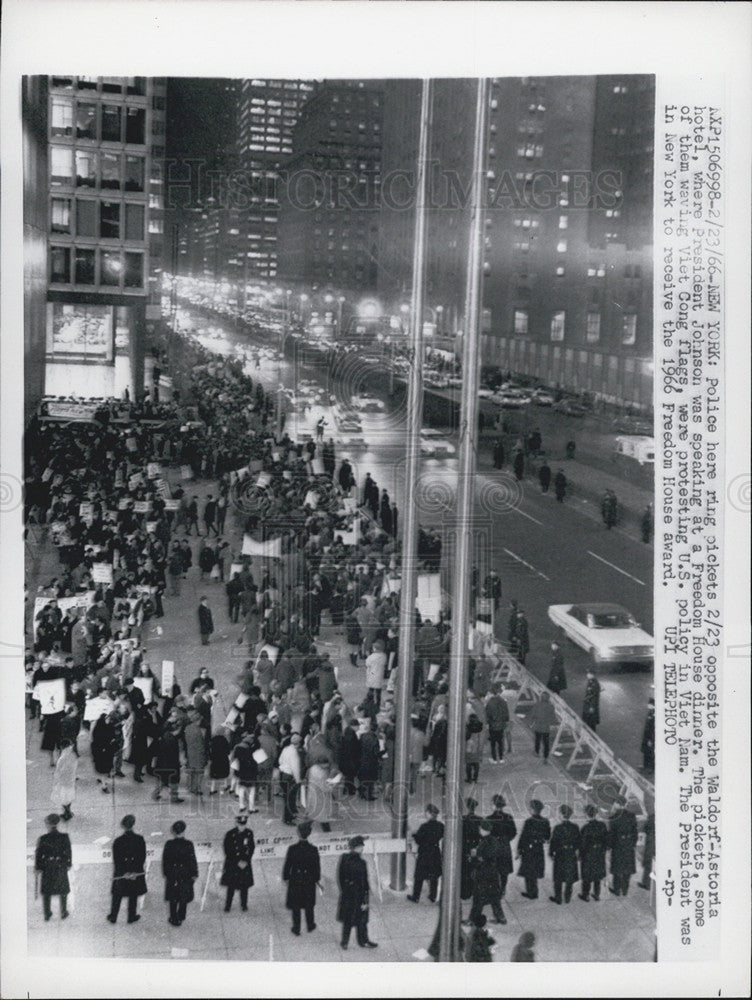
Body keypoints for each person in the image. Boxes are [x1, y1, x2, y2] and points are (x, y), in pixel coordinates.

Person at [336, 835, 377, 949]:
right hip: (359, 895)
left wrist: (345, 891)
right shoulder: (361, 863)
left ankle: (345, 942)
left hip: (347, 895)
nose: (363, 848)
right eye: (361, 846)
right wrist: (365, 900)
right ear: (358, 847)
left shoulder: (344, 858)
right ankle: (363, 941)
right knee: (362, 920)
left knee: (348, 920)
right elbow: (363, 883)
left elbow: (340, 877)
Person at [282, 820, 321, 935]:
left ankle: (296, 927)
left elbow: (288, 864)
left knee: (296, 905)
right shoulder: (313, 850)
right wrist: (316, 879)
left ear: (299, 833)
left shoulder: (293, 849)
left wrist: (286, 877)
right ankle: (310, 925)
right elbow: (316, 867)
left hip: (296, 879)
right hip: (308, 880)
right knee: (309, 905)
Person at [107, 814, 147, 924]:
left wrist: (124, 872)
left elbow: (116, 860)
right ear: (133, 824)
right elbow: (142, 857)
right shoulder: (139, 839)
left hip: (121, 871)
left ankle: (113, 916)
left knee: (117, 895)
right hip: (135, 872)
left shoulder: (118, 841)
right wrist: (134, 871)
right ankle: (131, 916)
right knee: (133, 894)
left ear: (123, 826)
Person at [466, 820, 506, 926]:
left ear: (483, 830)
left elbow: (481, 859)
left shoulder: (484, 841)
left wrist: (473, 857)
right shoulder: (494, 840)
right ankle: (501, 918)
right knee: (495, 898)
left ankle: (471, 920)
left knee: (478, 899)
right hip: (493, 873)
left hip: (483, 874)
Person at [35, 813, 71, 921]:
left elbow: (39, 854)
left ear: (48, 824)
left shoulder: (43, 838)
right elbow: (68, 852)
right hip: (60, 866)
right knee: (63, 890)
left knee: (47, 891)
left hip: (48, 866)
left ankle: (47, 914)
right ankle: (63, 912)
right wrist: (68, 864)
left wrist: (38, 867)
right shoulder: (65, 837)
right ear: (57, 823)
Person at [162, 820, 198, 926]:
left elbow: (166, 861)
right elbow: (192, 860)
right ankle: (181, 915)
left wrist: (167, 874)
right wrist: (194, 873)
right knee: (183, 896)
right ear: (184, 831)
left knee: (173, 897)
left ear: (174, 832)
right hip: (185, 874)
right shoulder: (188, 844)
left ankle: (173, 917)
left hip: (173, 874)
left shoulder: (169, 844)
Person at [408, 804, 444, 903]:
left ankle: (416, 897)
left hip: (424, 853)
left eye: (426, 812)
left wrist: (414, 835)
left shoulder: (424, 827)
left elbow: (419, 840)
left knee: (419, 876)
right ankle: (433, 896)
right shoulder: (441, 826)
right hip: (435, 852)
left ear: (429, 814)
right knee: (434, 876)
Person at [517, 799, 551, 899]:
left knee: (528, 871)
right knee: (535, 870)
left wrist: (520, 849)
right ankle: (534, 891)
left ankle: (531, 892)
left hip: (528, 849)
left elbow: (523, 837)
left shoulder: (529, 821)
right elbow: (547, 837)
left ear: (532, 809)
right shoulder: (545, 821)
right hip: (538, 848)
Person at [221, 814, 255, 912]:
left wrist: (246, 861)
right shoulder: (230, 834)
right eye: (240, 824)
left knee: (244, 887)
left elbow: (251, 848)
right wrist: (237, 862)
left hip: (245, 864)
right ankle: (228, 905)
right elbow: (227, 850)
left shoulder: (249, 833)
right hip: (233, 864)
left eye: (244, 825)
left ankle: (244, 905)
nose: (242, 827)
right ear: (236, 823)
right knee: (231, 887)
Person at [486, 794, 516, 900]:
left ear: (494, 805)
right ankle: (503, 888)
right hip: (504, 845)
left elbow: (486, 833)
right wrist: (506, 839)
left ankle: (494, 888)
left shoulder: (489, 819)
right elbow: (513, 832)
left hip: (493, 845)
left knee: (493, 868)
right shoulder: (508, 817)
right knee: (504, 869)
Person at [549, 804, 580, 904]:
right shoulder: (575, 827)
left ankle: (558, 898)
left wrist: (551, 853)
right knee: (569, 877)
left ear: (562, 815)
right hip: (571, 853)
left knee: (558, 877)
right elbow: (578, 842)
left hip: (560, 854)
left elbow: (553, 842)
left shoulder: (558, 828)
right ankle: (567, 897)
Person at [608, 796, 638, 897]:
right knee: (627, 869)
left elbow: (611, 835)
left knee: (617, 869)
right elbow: (635, 832)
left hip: (618, 845)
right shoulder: (631, 816)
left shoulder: (613, 817)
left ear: (617, 804)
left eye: (615, 803)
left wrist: (610, 846)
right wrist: (632, 843)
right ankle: (625, 890)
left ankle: (617, 890)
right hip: (628, 845)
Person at [578, 804, 608, 901]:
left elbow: (582, 844)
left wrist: (580, 856)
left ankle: (585, 895)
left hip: (588, 855)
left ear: (587, 814)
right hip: (599, 854)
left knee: (587, 876)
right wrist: (603, 850)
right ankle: (597, 894)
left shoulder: (585, 828)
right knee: (597, 875)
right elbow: (607, 840)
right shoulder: (602, 826)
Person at [278, 732, 303, 824]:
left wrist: (284, 766)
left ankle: (292, 814)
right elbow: (295, 769)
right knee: (290, 799)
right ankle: (287, 819)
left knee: (286, 797)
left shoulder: (286, 749)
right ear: (299, 743)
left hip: (282, 775)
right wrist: (298, 781)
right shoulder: (294, 753)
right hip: (290, 777)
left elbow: (280, 761)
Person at [50, 738, 78, 821]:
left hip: (63, 781)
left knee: (63, 798)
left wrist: (56, 778)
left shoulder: (62, 758)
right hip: (71, 780)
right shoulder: (72, 755)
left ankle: (67, 813)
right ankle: (68, 811)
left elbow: (59, 770)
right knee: (69, 797)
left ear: (62, 747)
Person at [461, 797, 482, 901]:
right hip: (475, 848)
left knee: (464, 870)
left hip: (464, 848)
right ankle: (474, 891)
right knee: (475, 870)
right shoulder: (479, 819)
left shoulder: (462, 819)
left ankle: (465, 892)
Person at [484, 684, 510, 763]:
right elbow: (506, 714)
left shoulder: (490, 703)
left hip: (493, 725)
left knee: (493, 743)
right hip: (501, 725)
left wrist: (487, 723)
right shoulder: (503, 701)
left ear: (492, 693)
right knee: (500, 741)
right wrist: (505, 721)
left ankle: (494, 758)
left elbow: (487, 714)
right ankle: (501, 758)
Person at [530, 691, 557, 761]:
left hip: (538, 726)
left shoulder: (537, 705)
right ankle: (545, 756)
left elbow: (533, 715)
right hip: (546, 727)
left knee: (537, 740)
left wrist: (532, 722)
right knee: (546, 742)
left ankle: (536, 752)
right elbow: (553, 717)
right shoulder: (551, 706)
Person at [637, 812, 655, 890]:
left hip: (651, 842)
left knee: (648, 863)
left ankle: (647, 884)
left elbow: (646, 828)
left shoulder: (652, 817)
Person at [640, 699, 655, 772]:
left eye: (649, 704)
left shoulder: (654, 715)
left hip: (650, 737)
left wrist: (651, 740)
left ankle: (652, 768)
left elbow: (653, 729)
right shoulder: (650, 713)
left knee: (651, 753)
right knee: (645, 751)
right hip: (646, 736)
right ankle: (645, 765)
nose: (648, 705)